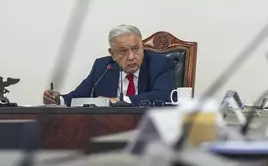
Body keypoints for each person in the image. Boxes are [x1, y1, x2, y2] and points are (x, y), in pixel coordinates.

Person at [43, 24, 175, 106]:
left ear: (143, 47)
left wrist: (119, 102)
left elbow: (163, 96)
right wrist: (58, 100)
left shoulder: (160, 64)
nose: (131, 57)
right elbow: (78, 97)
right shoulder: (103, 67)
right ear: (112, 54)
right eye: (123, 51)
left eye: (135, 49)